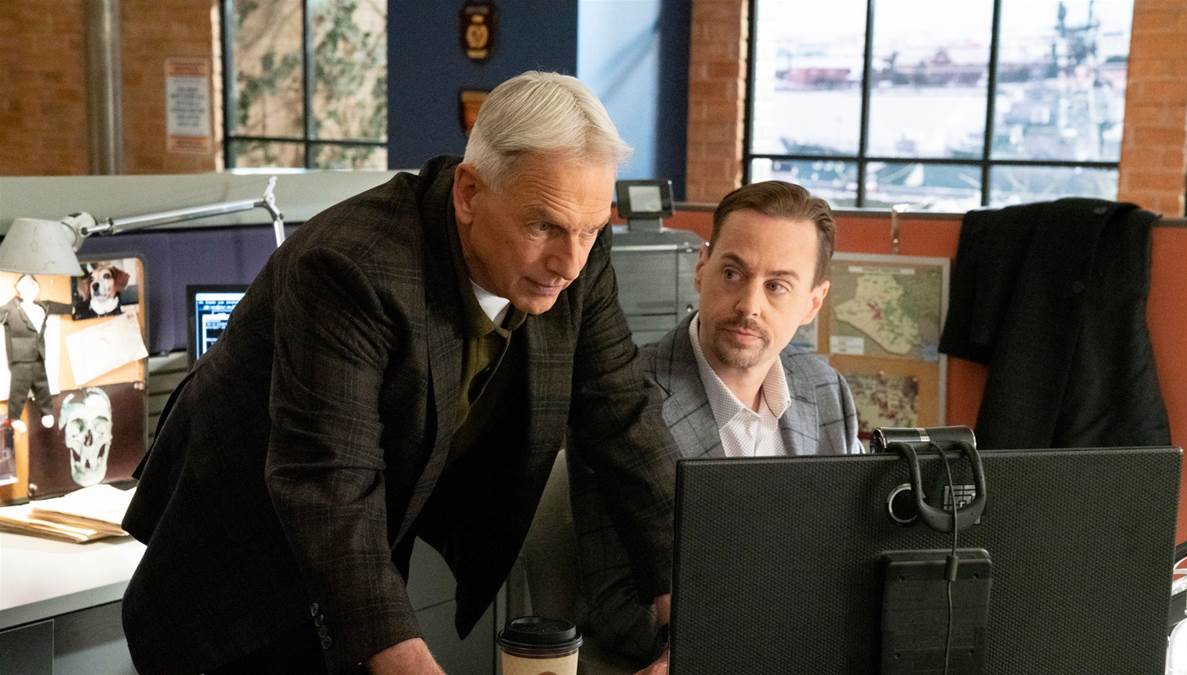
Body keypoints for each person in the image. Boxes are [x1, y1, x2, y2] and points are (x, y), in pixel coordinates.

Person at [121, 71, 675, 674]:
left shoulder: (577, 258)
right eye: (543, 225)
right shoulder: (350, 267)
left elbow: (623, 417)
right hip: (232, 584)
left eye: (590, 230)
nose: (569, 262)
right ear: (469, 193)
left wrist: (690, 605)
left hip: (357, 553)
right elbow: (328, 481)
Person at [569, 181, 863, 670]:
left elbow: (853, 557)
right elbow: (615, 608)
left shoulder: (825, 389)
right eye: (732, 273)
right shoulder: (619, 401)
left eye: (777, 286)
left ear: (814, 302)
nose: (749, 305)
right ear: (701, 268)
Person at [0, 274, 73, 433]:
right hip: (20, 356)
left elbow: (60, 307)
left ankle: (47, 412)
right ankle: (14, 418)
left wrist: (73, 308)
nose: (31, 287)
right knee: (19, 387)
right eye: (27, 284)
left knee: (42, 384)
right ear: (19, 288)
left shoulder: (43, 306)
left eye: (33, 283)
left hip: (38, 354)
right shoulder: (10, 308)